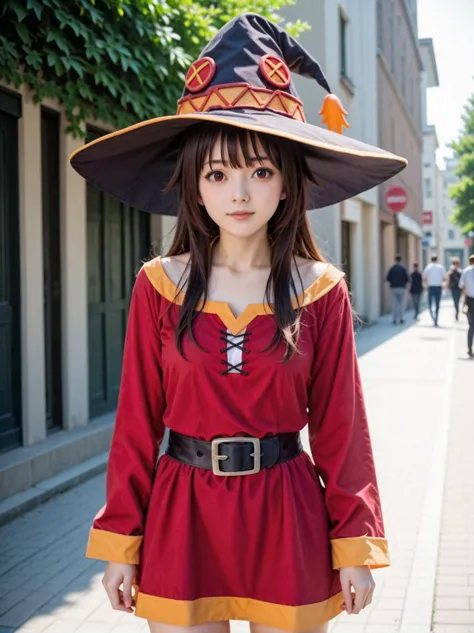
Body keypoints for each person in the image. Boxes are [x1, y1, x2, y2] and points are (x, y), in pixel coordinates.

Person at [70, 13, 406, 633]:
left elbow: (342, 429)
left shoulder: (321, 290)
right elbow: (137, 423)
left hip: (289, 515)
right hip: (182, 515)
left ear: (287, 184)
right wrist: (120, 538)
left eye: (260, 170)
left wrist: (355, 544)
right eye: (217, 173)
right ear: (195, 187)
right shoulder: (158, 285)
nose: (239, 193)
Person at [423, 255, 446, 326]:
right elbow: (444, 278)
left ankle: (433, 317)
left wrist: (425, 287)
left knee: (430, 304)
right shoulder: (440, 267)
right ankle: (436, 319)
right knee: (437, 304)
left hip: (430, 287)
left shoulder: (428, 267)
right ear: (437, 259)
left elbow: (424, 278)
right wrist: (444, 286)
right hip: (438, 287)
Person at [386, 255, 409, 324]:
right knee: (402, 304)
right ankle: (401, 318)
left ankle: (394, 319)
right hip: (402, 288)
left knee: (394, 304)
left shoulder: (392, 268)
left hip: (393, 288)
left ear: (395, 260)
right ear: (401, 260)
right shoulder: (403, 268)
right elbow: (408, 279)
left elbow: (387, 278)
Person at [459, 254, 474, 357]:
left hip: (470, 300)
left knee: (471, 325)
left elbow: (462, 286)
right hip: (470, 299)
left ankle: (469, 348)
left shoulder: (466, 271)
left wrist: (463, 302)